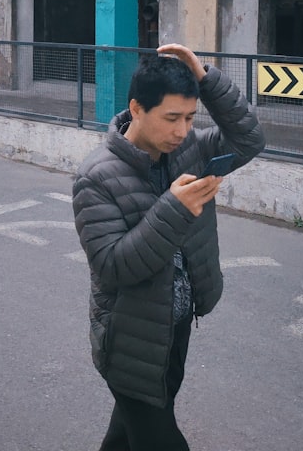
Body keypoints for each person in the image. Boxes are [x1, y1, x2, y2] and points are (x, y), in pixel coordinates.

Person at [72, 43, 265, 450]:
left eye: (191, 117)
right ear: (137, 108)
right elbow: (113, 266)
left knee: (127, 432)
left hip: (174, 325)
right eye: (171, 118)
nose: (181, 130)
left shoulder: (190, 148)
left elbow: (249, 140)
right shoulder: (97, 176)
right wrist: (175, 209)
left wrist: (207, 79)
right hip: (129, 335)